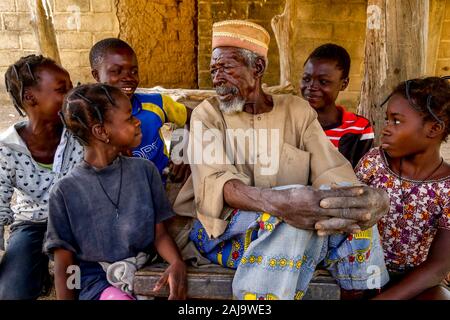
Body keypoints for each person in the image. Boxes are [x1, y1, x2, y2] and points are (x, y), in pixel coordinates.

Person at [173, 20, 390, 300]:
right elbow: (218, 182)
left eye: (227, 68)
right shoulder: (208, 115)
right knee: (289, 220)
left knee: (354, 218)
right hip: (222, 235)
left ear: (258, 68)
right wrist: (282, 203)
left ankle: (359, 293)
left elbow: (331, 168)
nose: (217, 78)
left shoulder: (297, 111)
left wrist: (356, 200)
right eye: (214, 69)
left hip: (297, 229)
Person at [44, 83, 187, 300]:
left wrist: (177, 262)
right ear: (101, 131)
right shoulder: (65, 192)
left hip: (143, 268)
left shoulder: (145, 171)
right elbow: (65, 263)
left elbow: (159, 234)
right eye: (129, 118)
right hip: (96, 280)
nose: (137, 121)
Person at [355, 77, 450, 300]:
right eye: (386, 120)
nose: (386, 129)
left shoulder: (447, 187)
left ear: (434, 128)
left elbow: (439, 265)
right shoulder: (375, 163)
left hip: (417, 280)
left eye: (396, 122)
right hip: (361, 271)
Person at [0, 54, 83, 299]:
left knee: (75, 283)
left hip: (77, 225)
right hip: (32, 225)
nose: (71, 96)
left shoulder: (81, 133)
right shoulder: (7, 149)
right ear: (30, 98)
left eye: (71, 88)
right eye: (61, 90)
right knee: (11, 292)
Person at [89, 38, 191, 183]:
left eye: (134, 71)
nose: (128, 78)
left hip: (162, 186)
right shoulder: (89, 117)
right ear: (96, 75)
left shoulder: (157, 104)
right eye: (116, 71)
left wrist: (181, 152)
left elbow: (194, 117)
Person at [300, 43, 374, 167]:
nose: (311, 87)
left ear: (344, 84)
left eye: (323, 82)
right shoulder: (292, 124)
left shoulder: (359, 128)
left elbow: (361, 177)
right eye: (306, 79)